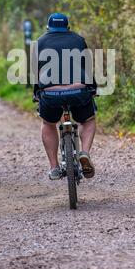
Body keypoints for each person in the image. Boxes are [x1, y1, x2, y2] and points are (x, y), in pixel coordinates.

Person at [33, 13, 97, 180]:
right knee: (88, 119)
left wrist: (37, 94)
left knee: (48, 123)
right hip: (78, 91)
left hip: (51, 93)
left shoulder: (39, 42)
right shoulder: (78, 40)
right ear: (67, 27)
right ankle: (84, 152)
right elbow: (88, 68)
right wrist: (93, 88)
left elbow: (36, 73)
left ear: (48, 27)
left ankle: (54, 167)